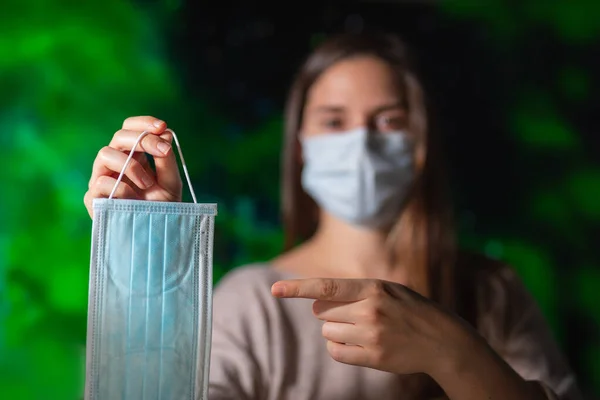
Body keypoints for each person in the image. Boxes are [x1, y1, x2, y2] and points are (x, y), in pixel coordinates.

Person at [84, 33, 581, 399]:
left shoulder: (492, 292)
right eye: (334, 121)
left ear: (421, 145)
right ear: (301, 146)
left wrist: (454, 352)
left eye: (388, 121)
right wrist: (146, 273)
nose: (361, 141)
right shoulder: (253, 304)